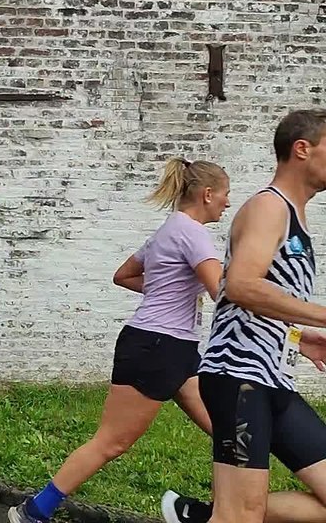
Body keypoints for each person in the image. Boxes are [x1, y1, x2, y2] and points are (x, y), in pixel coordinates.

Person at [6, 157, 230, 523]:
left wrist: (165, 292)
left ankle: (220, 514)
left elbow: (124, 275)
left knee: (228, 431)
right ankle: (34, 511)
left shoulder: (167, 230)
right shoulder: (192, 233)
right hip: (157, 347)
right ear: (207, 194)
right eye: (225, 194)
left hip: (176, 350)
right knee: (113, 441)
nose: (227, 202)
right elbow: (222, 292)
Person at [160, 110, 326, 523]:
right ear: (302, 149)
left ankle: (204, 517)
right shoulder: (269, 208)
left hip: (273, 380)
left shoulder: (294, 217)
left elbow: (262, 297)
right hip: (240, 379)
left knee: (241, 513)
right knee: (242, 516)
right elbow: (240, 285)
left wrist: (296, 336)